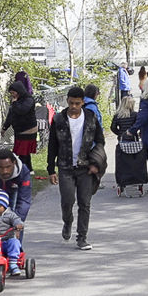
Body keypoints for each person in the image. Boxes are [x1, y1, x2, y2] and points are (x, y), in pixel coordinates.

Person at [47, 86, 106, 251]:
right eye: (71, 103)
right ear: (67, 101)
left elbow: (100, 140)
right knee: (67, 202)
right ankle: (67, 221)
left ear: (82, 103)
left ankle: (82, 238)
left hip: (85, 167)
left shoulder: (90, 117)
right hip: (65, 167)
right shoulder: (59, 119)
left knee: (84, 203)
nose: (74, 107)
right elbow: (52, 145)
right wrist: (51, 169)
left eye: (77, 104)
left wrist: (96, 163)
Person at [0, 149, 32, 230]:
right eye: (0, 167)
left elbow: (24, 200)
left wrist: (17, 224)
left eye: (8, 167)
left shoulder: (23, 172)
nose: (5, 171)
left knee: (16, 224)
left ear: (14, 163)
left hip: (14, 191)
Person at [1, 81, 37, 174]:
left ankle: (23, 170)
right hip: (19, 130)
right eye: (11, 93)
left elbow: (22, 111)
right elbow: (11, 115)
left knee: (23, 152)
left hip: (28, 129)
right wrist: (5, 127)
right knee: (24, 152)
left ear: (19, 91)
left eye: (13, 92)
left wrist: (15, 103)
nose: (12, 95)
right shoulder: (15, 100)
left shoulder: (28, 99)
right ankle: (29, 170)